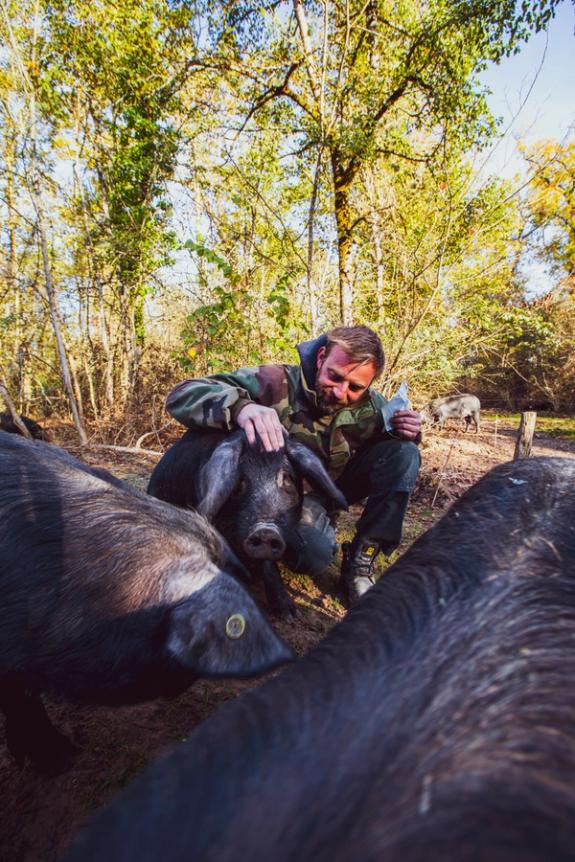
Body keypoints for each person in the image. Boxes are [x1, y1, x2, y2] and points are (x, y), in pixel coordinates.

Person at [166, 326, 422, 604]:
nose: (340, 392)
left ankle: (362, 559)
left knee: (404, 453)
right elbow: (182, 394)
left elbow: (391, 453)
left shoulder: (372, 407)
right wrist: (242, 408)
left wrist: (408, 430)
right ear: (321, 357)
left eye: (355, 387)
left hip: (330, 488)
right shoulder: (273, 381)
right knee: (312, 555)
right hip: (275, 496)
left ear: (369, 384)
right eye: (334, 376)